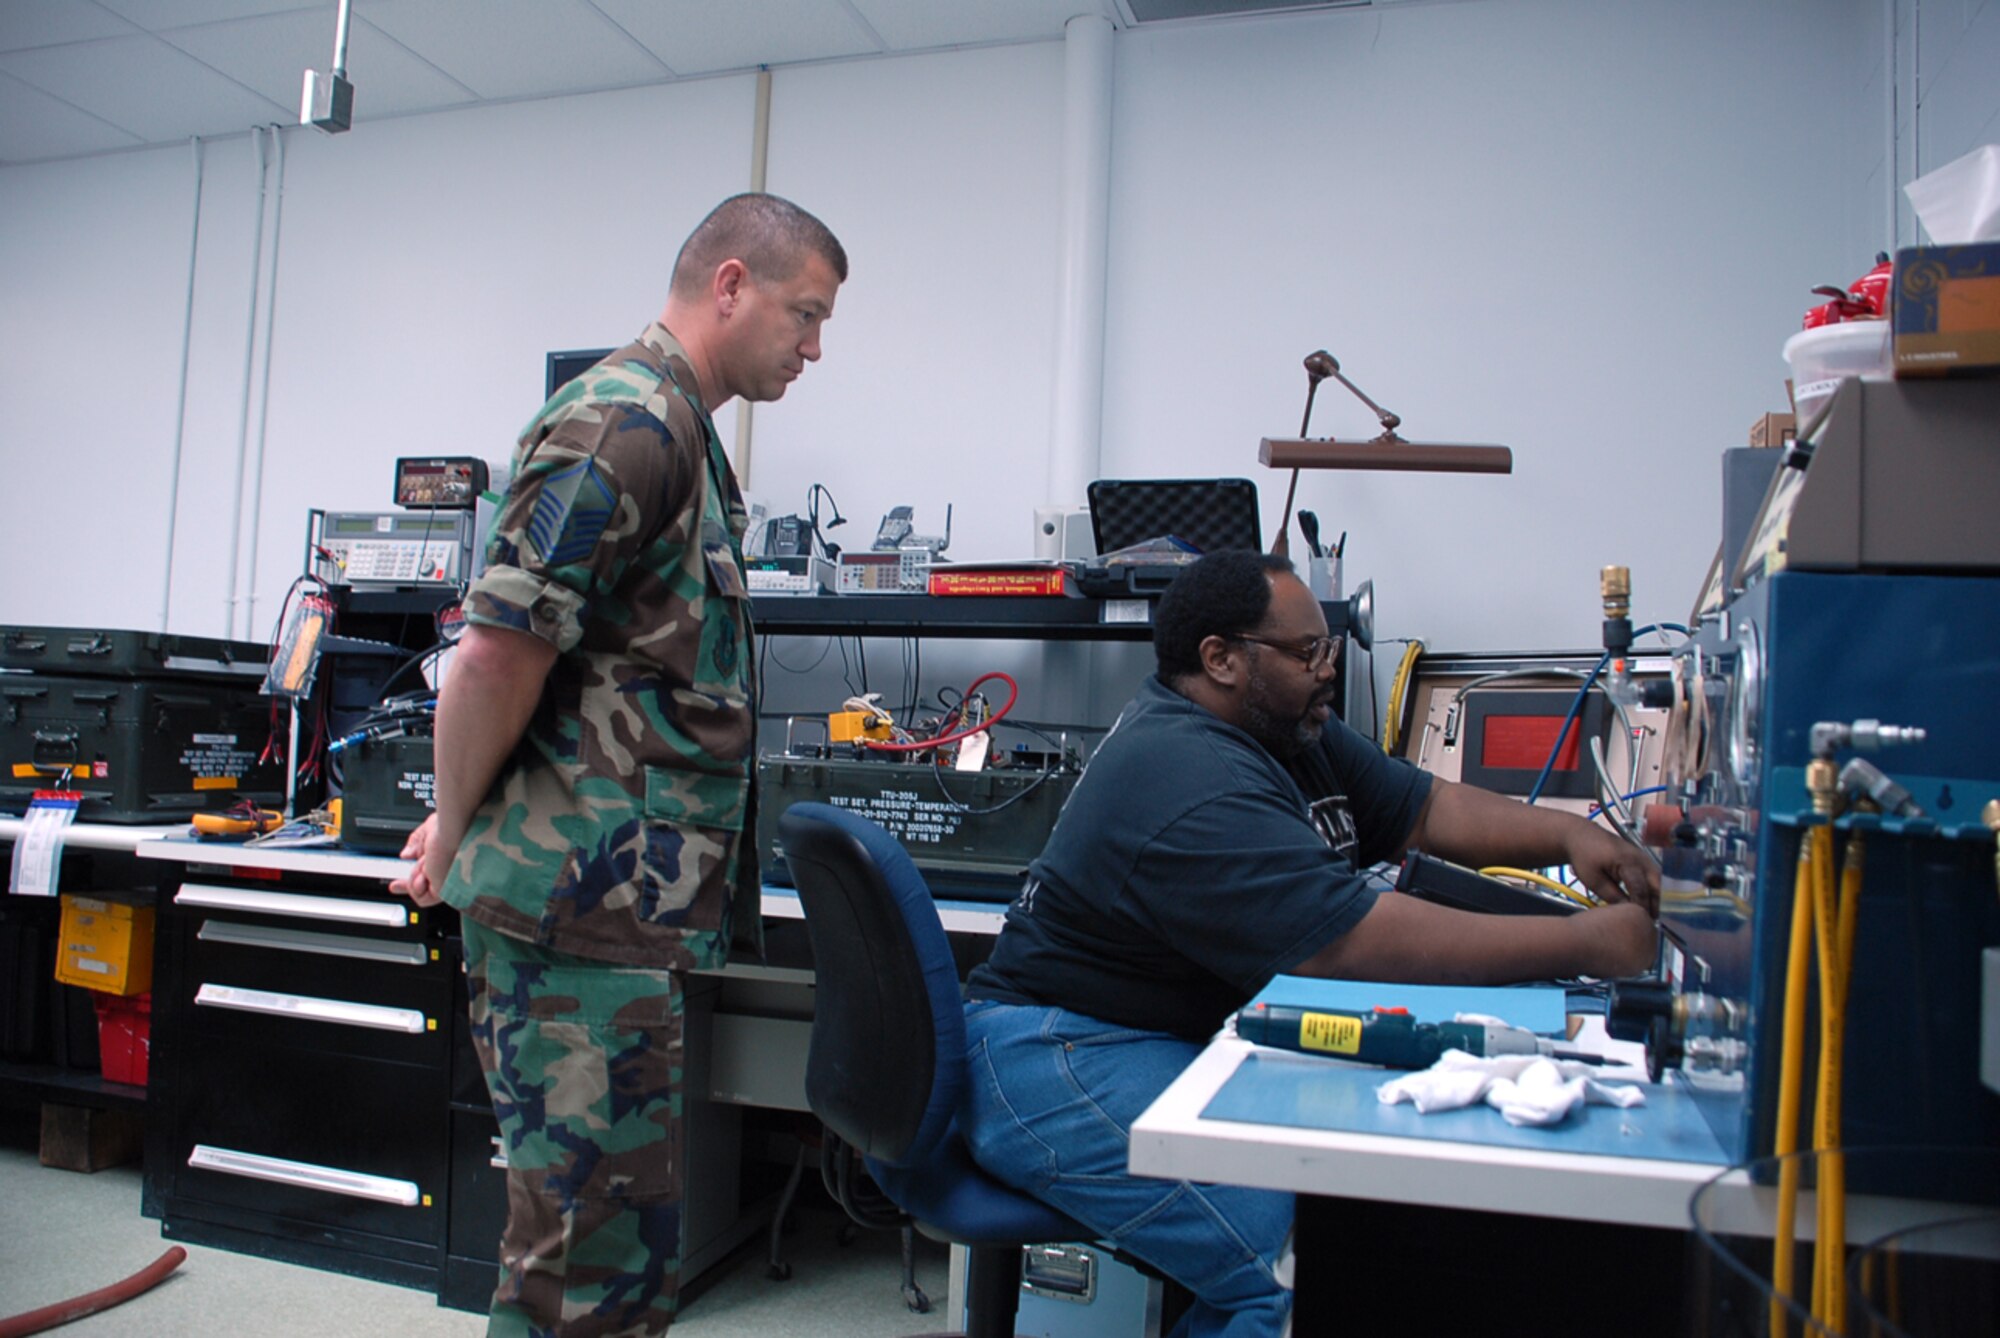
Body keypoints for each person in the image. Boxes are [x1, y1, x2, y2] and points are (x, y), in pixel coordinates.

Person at [960, 548, 1659, 1338]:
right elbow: (1350, 942)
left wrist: (1573, 835)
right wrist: (1584, 943)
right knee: (1307, 1271)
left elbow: (1424, 808)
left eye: (1327, 647)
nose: (1327, 669)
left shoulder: (1291, 727)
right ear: (1221, 659)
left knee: (1357, 1211)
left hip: (1149, 1038)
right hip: (1052, 1054)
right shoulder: (1183, 772)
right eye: (1305, 653)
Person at [388, 192, 846, 1337]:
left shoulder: (682, 432)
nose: (814, 348)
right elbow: (493, 655)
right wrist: (452, 826)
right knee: (580, 1274)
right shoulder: (622, 421)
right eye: (803, 314)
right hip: (567, 913)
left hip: (613, 909)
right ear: (729, 284)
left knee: (616, 1256)